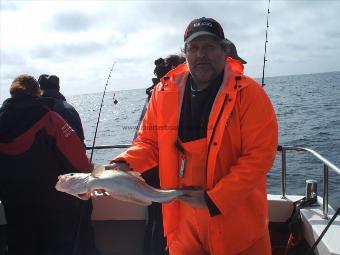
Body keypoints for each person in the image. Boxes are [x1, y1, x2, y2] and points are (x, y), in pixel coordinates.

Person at [108, 17, 277, 254]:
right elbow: (149, 142)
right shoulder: (162, 92)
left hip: (235, 219)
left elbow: (259, 156)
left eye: (209, 46)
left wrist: (214, 199)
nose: (201, 54)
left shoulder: (250, 93)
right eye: (194, 48)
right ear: (185, 52)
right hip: (181, 216)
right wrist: (125, 162)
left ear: (224, 50)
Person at [0, 75, 99, 255]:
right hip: (53, 206)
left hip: (15, 205)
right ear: (38, 92)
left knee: (21, 245)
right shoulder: (50, 119)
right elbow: (82, 163)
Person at [141, 54, 186, 255]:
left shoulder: (154, 94)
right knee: (164, 222)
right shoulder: (165, 95)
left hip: (149, 170)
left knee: (155, 220)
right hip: (161, 170)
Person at [38, 74, 85, 143]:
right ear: (58, 87)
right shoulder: (68, 109)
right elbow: (78, 139)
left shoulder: (35, 108)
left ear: (40, 88)